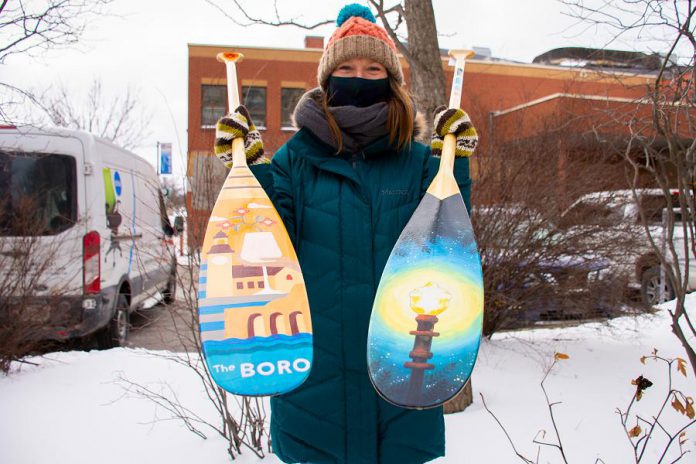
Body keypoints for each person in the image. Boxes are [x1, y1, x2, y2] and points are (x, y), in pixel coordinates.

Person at [214, 4, 477, 463]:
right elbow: (269, 245)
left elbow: (447, 245)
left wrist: (454, 165)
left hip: (403, 378)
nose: (360, 77)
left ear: (392, 80)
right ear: (327, 80)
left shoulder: (416, 163)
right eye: (348, 67)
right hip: (316, 389)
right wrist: (249, 171)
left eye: (374, 68)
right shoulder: (294, 161)